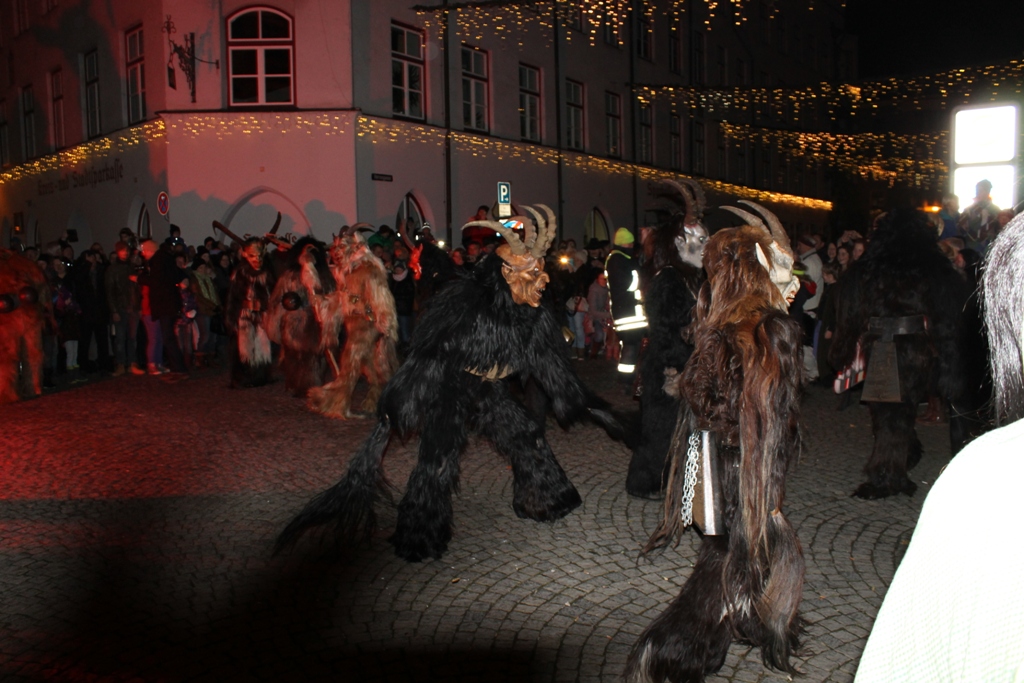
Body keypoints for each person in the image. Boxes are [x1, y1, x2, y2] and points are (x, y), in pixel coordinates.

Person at [854, 211, 1024, 682]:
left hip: (890, 344)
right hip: (910, 347)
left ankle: (890, 468)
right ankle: (895, 462)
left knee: (890, 413)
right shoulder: (925, 264)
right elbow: (950, 306)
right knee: (896, 411)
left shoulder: (879, 264)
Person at [139, 239, 188, 382]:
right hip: (169, 304)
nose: (143, 254)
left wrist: (140, 278)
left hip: (165, 305)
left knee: (168, 338)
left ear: (149, 250)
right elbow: (175, 274)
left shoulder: (158, 261)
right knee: (168, 337)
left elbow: (157, 281)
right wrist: (184, 277)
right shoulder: (165, 259)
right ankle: (178, 368)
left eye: (144, 251)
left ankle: (179, 369)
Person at [605, 227, 645, 376]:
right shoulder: (618, 260)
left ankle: (629, 377)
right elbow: (627, 283)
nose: (631, 246)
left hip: (630, 311)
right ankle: (626, 378)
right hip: (626, 313)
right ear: (623, 243)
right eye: (629, 243)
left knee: (633, 345)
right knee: (631, 345)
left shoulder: (621, 259)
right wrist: (642, 279)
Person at [104, 241, 139, 376]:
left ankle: (131, 362)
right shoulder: (112, 269)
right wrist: (114, 310)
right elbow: (110, 291)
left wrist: (138, 306)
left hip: (132, 308)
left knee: (132, 337)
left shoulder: (132, 267)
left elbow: (137, 290)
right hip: (120, 308)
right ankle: (120, 363)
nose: (126, 253)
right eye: (123, 251)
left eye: (127, 251)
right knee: (120, 337)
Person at [957, 179, 1000, 253]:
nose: (978, 193)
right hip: (971, 244)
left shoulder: (995, 210)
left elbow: (997, 228)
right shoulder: (969, 209)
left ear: (987, 192)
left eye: (981, 190)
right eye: (977, 190)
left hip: (988, 244)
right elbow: (961, 227)